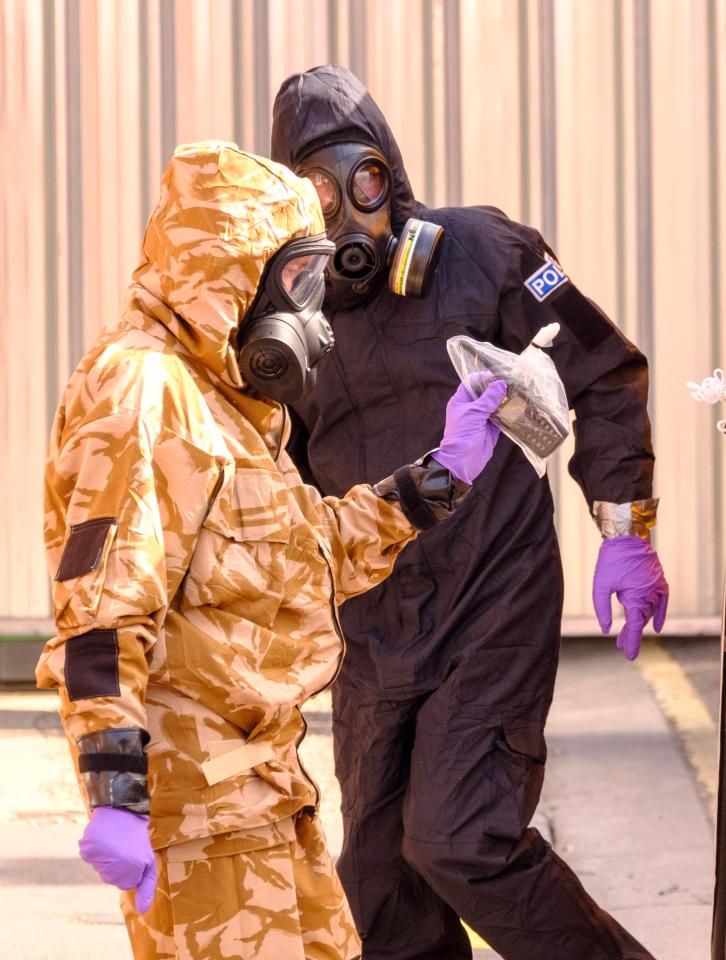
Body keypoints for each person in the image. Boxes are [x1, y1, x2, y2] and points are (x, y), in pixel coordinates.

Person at [36, 141, 508, 960]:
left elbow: (305, 552)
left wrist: (437, 478)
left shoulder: (225, 406)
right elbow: (105, 606)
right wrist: (115, 788)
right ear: (228, 276)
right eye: (297, 284)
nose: (315, 314)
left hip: (265, 795)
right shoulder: (146, 393)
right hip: (201, 822)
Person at [270, 65, 669, 960]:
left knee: (460, 839)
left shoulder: (488, 253)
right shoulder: (293, 321)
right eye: (315, 195)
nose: (348, 214)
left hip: (494, 597)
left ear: (392, 174)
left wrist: (626, 529)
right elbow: (280, 483)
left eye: (361, 180)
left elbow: (600, 372)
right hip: (373, 628)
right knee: (380, 884)